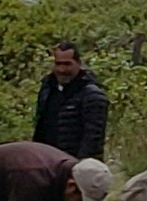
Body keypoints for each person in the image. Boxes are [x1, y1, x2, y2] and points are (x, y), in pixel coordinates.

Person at [31, 43, 111, 175]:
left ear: (78, 64)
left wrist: (78, 168)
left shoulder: (92, 95)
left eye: (67, 64)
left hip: (78, 168)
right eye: (58, 64)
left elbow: (93, 140)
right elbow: (41, 129)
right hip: (48, 165)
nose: (62, 69)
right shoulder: (48, 90)